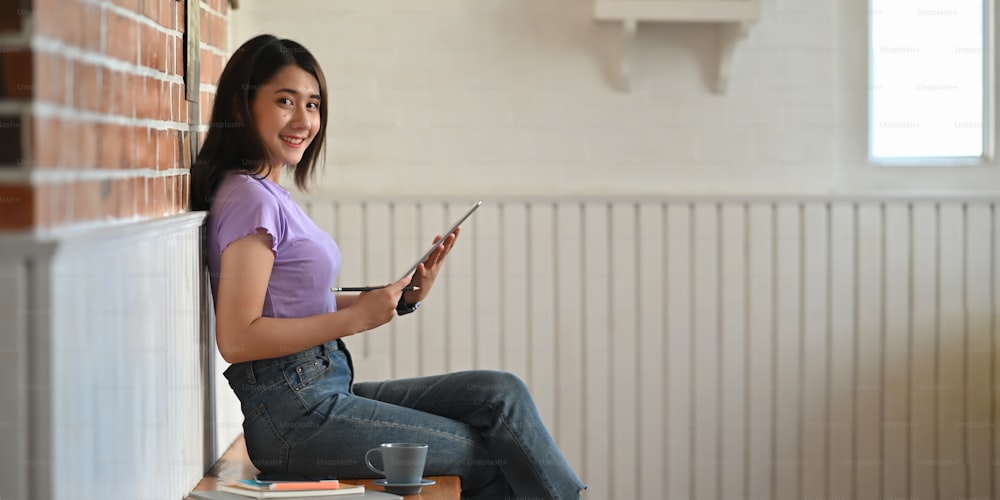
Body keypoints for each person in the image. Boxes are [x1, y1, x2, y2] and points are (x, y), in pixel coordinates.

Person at [189, 34, 586, 499]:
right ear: (243, 106)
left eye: (313, 105)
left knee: (499, 394)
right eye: (284, 101)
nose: (303, 120)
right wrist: (354, 319)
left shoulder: (268, 193)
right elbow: (237, 338)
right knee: (483, 453)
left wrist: (396, 299)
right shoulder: (249, 199)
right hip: (295, 419)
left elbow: (289, 302)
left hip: (322, 388)